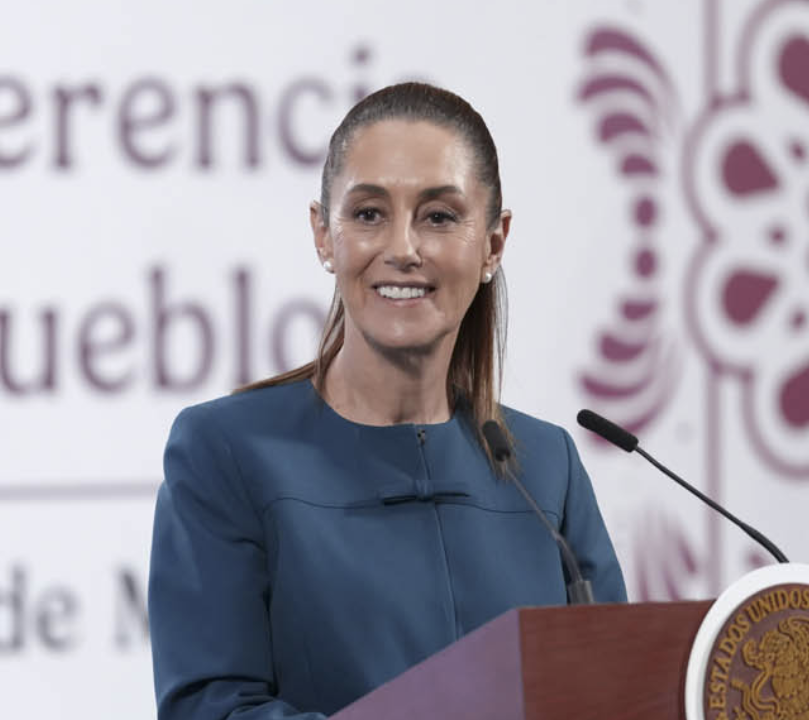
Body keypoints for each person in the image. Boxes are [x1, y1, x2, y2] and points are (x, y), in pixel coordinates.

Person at [149, 82, 627, 720]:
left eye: (439, 216)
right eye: (369, 213)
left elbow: (623, 691)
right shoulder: (227, 453)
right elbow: (212, 709)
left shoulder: (546, 467)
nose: (402, 249)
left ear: (494, 243)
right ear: (324, 234)